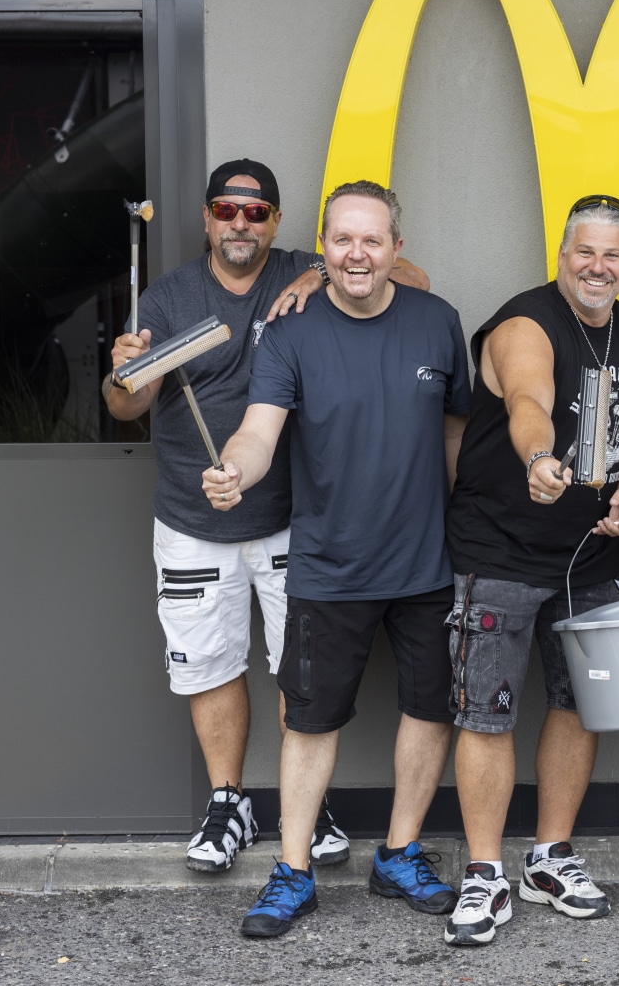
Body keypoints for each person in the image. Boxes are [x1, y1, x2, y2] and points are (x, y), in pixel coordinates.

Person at [103, 159, 425, 876]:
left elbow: (414, 284)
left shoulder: (310, 268)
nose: (240, 223)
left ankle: (299, 812)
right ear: (209, 218)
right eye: (227, 210)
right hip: (192, 515)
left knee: (299, 671)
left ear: (276, 221)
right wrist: (125, 372)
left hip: (291, 517)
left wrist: (318, 275)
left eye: (256, 212)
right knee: (210, 664)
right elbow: (123, 406)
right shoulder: (167, 296)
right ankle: (229, 801)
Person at [200, 181, 470, 938]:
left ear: (396, 249)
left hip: (426, 564)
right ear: (323, 247)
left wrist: (463, 524)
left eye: (372, 240)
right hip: (329, 566)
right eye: (343, 240)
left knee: (428, 709)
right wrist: (234, 469)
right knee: (310, 722)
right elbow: (259, 431)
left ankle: (399, 853)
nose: (357, 253)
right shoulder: (290, 334)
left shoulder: (436, 322)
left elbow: (455, 431)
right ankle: (292, 874)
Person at [441, 194, 619, 946]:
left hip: (591, 554)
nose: (596, 267)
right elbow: (530, 396)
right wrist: (539, 456)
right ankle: (482, 873)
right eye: (582, 252)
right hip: (499, 552)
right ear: (561, 256)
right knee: (485, 713)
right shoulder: (523, 322)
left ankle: (548, 856)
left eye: (611, 255)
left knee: (578, 706)